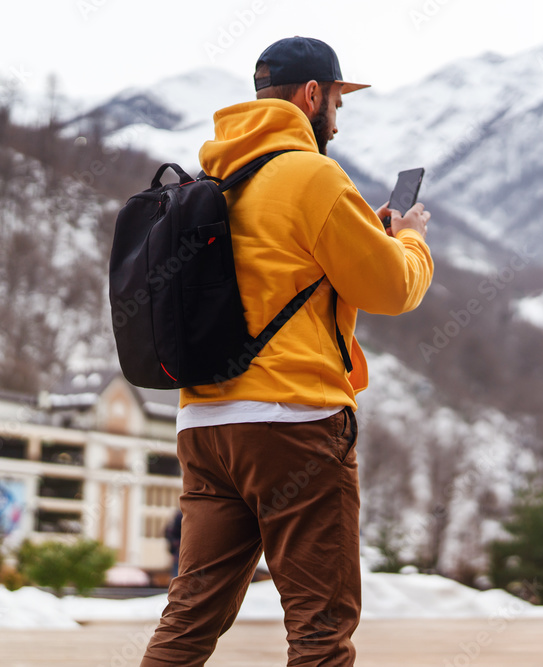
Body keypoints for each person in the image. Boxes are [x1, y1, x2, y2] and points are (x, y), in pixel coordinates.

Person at [140, 36, 433, 667]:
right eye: (337, 100)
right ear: (311, 95)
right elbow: (391, 288)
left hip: (204, 426)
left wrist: (363, 234)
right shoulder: (312, 174)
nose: (337, 115)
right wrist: (409, 240)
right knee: (320, 627)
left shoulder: (213, 177)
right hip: (293, 425)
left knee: (189, 619)